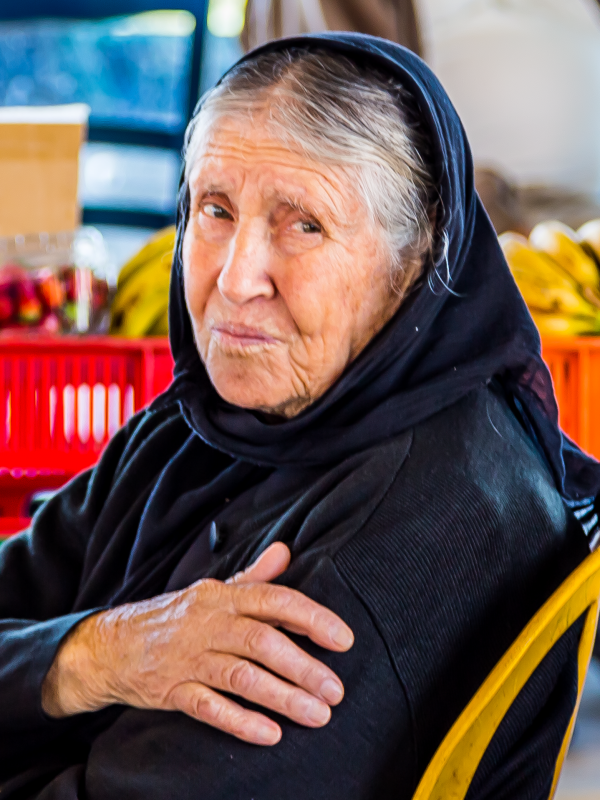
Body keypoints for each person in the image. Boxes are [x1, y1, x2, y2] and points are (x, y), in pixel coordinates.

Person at [0, 34, 598, 800]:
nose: (236, 277)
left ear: (415, 259)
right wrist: (92, 657)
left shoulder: (413, 527)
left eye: (302, 224)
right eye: (214, 210)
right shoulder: (196, 430)